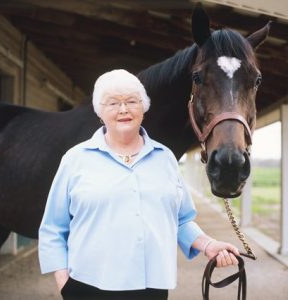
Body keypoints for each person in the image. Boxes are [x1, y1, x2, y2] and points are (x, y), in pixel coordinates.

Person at [38, 69, 240, 300]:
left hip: (151, 288)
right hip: (88, 286)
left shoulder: (165, 158)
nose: (123, 109)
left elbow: (181, 220)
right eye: (113, 103)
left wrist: (208, 245)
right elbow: (53, 228)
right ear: (100, 112)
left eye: (132, 101)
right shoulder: (75, 159)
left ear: (143, 108)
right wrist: (65, 283)